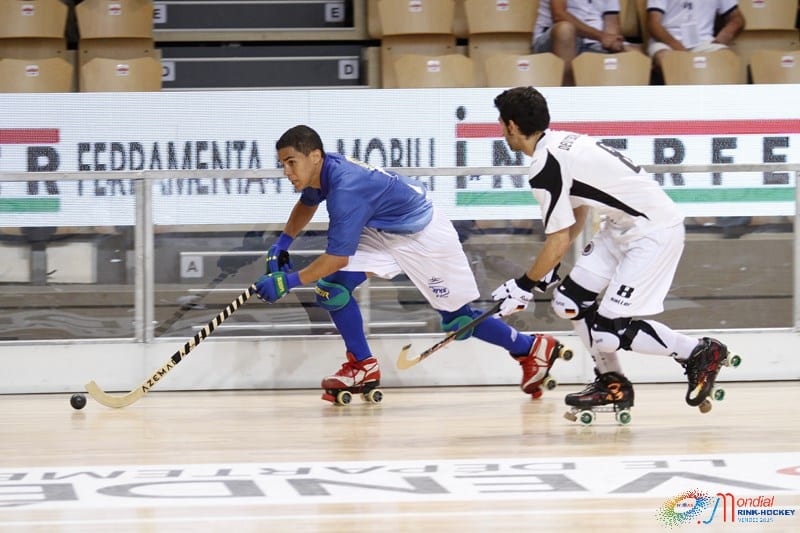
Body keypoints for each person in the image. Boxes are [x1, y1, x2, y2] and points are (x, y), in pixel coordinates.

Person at [254, 125, 566, 404]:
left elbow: (337, 257)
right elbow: (308, 201)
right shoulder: (324, 170)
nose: (287, 171)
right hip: (383, 229)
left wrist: (287, 282)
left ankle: (531, 348)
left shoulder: (346, 190)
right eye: (283, 164)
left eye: (291, 162)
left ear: (315, 157)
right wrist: (282, 243)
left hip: (424, 236)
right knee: (332, 290)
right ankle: (363, 366)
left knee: (457, 321)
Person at [490, 86, 732, 417]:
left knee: (606, 332)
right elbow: (578, 212)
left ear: (512, 125)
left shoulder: (545, 164)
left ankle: (699, 353)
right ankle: (612, 384)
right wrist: (545, 271)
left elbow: (559, 238)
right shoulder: (562, 143)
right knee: (568, 303)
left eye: (501, 124)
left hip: (652, 233)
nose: (501, 132)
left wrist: (524, 285)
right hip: (621, 228)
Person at [533, 0, 639, 86]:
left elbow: (611, 24)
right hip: (554, 40)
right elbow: (559, 15)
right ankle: (568, 97)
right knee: (565, 30)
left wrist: (613, 42)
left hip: (594, 43)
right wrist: (601, 36)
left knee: (635, 54)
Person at [646, 0, 745, 74]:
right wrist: (680, 50)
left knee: (726, 58)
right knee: (666, 61)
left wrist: (725, 35)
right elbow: (653, 24)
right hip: (666, 41)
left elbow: (737, 18)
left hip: (704, 42)